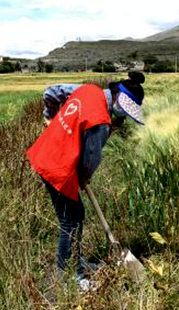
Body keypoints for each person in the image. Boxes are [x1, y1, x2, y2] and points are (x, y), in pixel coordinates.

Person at [26, 71, 146, 288]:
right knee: (70, 221)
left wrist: (50, 117)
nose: (123, 117)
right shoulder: (100, 123)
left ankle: (76, 263)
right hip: (57, 167)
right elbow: (90, 159)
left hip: (46, 153)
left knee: (77, 214)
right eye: (125, 111)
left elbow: (51, 92)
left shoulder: (89, 90)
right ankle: (68, 279)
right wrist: (84, 177)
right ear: (118, 98)